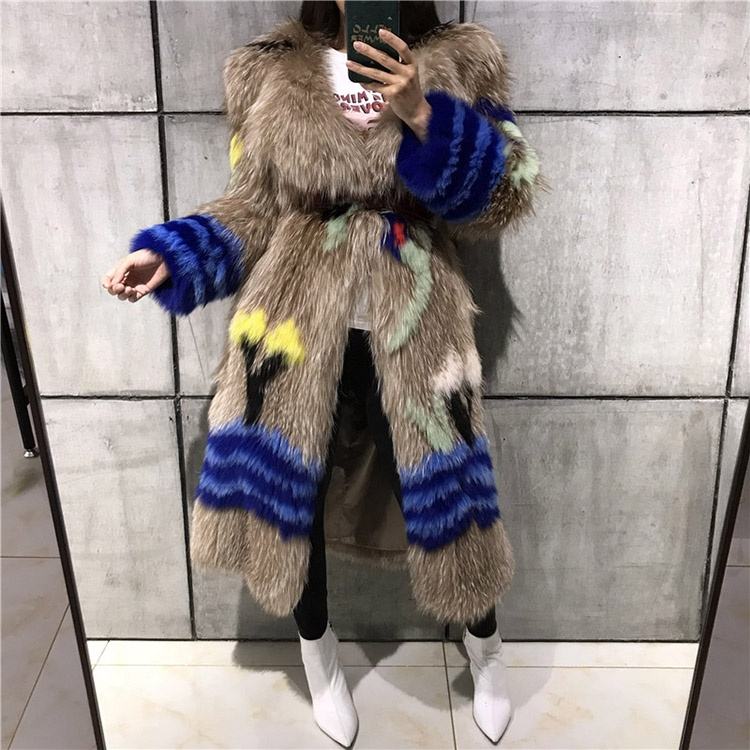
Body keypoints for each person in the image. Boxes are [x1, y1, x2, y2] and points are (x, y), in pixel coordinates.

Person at [102, 1, 540, 745]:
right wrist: (171, 255)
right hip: (290, 330)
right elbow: (253, 209)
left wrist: (423, 113)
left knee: (448, 493)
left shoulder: (464, 60)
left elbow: (510, 192)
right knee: (289, 499)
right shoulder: (270, 70)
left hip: (417, 325)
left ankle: (485, 646)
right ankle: (319, 656)